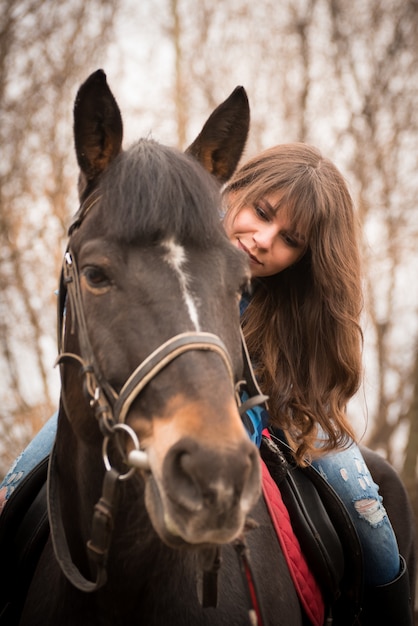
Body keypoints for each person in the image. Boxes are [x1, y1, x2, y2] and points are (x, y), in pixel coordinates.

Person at [0, 143, 412, 624]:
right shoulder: (174, 235)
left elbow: (307, 386)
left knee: (375, 529)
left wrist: (244, 417)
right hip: (151, 404)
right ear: (237, 187)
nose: (263, 238)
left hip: (280, 416)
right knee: (16, 490)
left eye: (290, 239)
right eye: (261, 212)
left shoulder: (301, 304)